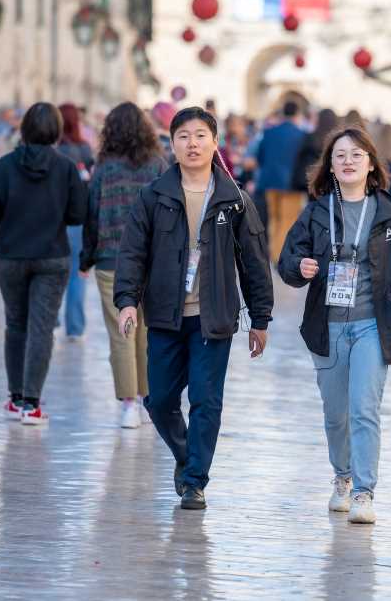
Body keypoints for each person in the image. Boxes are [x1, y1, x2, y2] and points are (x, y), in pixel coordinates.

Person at [114, 107, 273, 511]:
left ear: (214, 142)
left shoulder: (234, 200)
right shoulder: (154, 195)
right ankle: (187, 456)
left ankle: (195, 481)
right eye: (183, 136)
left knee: (206, 399)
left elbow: (253, 260)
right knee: (160, 400)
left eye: (200, 135)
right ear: (172, 143)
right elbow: (132, 252)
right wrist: (127, 301)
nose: (192, 144)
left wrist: (260, 318)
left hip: (213, 317)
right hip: (165, 315)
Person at [277, 126, 391, 525]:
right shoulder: (315, 212)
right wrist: (300, 266)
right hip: (327, 326)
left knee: (365, 409)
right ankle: (342, 477)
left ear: (371, 164)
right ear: (330, 166)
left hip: (373, 325)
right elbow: (288, 260)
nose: (348, 162)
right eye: (340, 155)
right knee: (336, 414)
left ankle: (364, 491)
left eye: (356, 155)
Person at [0, 102, 88, 425]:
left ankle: (15, 398)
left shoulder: (3, 166)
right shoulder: (67, 167)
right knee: (42, 328)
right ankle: (32, 403)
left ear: (24, 128)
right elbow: (77, 214)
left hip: (12, 254)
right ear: (56, 131)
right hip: (51, 256)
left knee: (15, 324)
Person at [80, 102, 168, 429]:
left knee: (122, 332)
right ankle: (147, 400)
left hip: (110, 259)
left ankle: (129, 404)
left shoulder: (104, 168)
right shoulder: (159, 166)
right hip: (150, 260)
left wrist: (86, 258)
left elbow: (92, 214)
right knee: (146, 332)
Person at [57, 102, 95, 342]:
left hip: (54, 219)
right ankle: (75, 327)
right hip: (79, 220)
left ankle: (52, 321)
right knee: (77, 273)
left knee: (52, 272)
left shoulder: (53, 150)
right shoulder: (84, 149)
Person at [255, 100, 306, 260]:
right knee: (288, 220)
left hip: (270, 182)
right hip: (292, 184)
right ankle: (280, 256)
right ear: (297, 114)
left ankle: (274, 253)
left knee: (274, 218)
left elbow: (259, 157)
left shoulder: (269, 132)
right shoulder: (302, 135)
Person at [291, 108, 338, 195]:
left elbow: (299, 159)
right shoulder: (337, 141)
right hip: (329, 183)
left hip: (308, 182)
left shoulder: (309, 137)